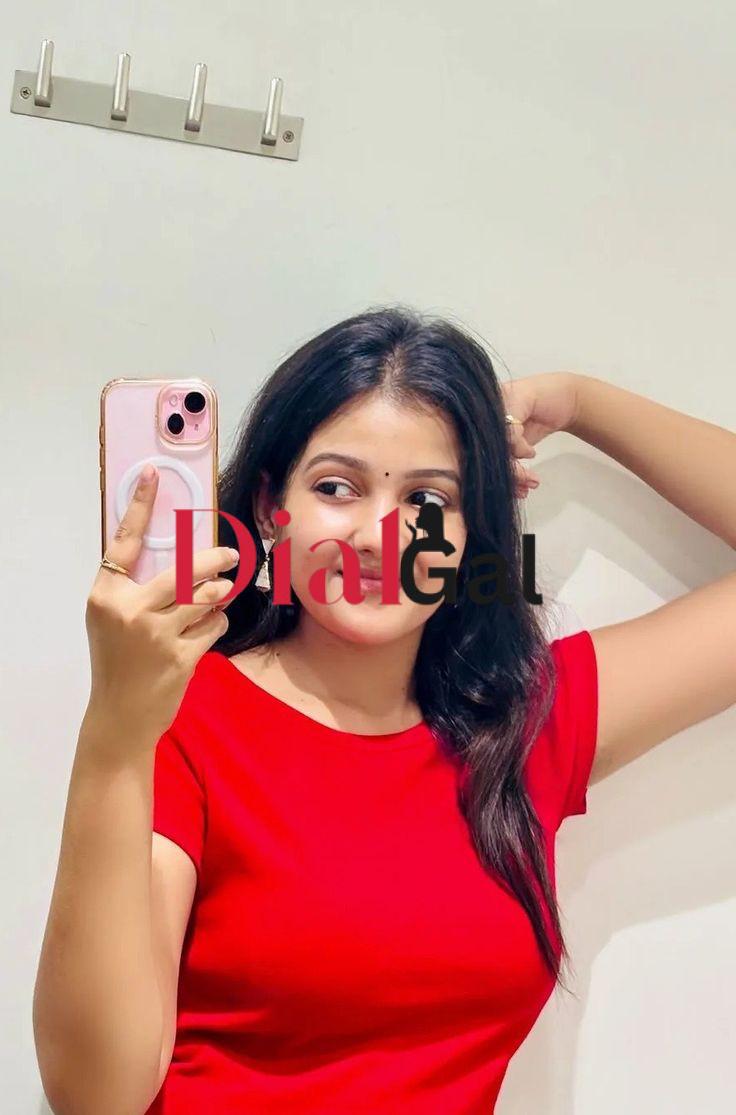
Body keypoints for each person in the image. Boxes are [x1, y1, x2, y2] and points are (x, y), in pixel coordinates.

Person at [33, 306, 736, 1114]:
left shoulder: (527, 722)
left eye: (428, 497)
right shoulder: (182, 713)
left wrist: (580, 402)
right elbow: (96, 1096)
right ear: (269, 506)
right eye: (337, 487)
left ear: (470, 534)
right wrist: (115, 731)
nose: (381, 535)